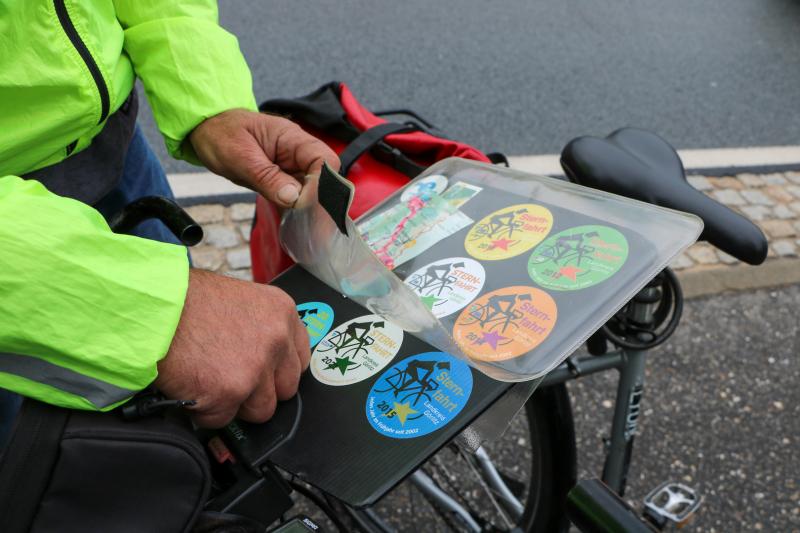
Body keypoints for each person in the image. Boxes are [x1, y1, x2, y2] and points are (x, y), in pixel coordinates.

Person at [0, 1, 339, 445]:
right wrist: (146, 308)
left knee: (190, 437)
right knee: (26, 477)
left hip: (117, 156)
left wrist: (209, 104)